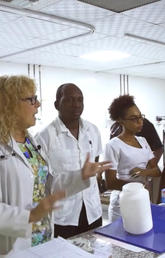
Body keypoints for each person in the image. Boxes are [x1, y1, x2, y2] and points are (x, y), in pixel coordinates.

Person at [0, 76, 111, 255]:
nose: (37, 105)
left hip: (42, 236)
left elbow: (48, 185)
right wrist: (30, 216)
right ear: (8, 104)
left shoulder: (29, 141)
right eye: (31, 99)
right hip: (13, 244)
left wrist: (80, 176)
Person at [36, 83, 103, 238]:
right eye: (70, 100)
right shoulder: (44, 137)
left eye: (80, 100)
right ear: (56, 104)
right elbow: (42, 183)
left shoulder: (93, 130)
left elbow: (94, 166)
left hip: (93, 211)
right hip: (63, 217)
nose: (76, 105)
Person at [104, 95, 161, 223]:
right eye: (134, 119)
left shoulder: (143, 141)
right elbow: (110, 182)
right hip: (122, 200)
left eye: (141, 117)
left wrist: (142, 172)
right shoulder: (113, 145)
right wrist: (136, 187)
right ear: (121, 120)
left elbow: (156, 171)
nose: (140, 122)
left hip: (142, 198)